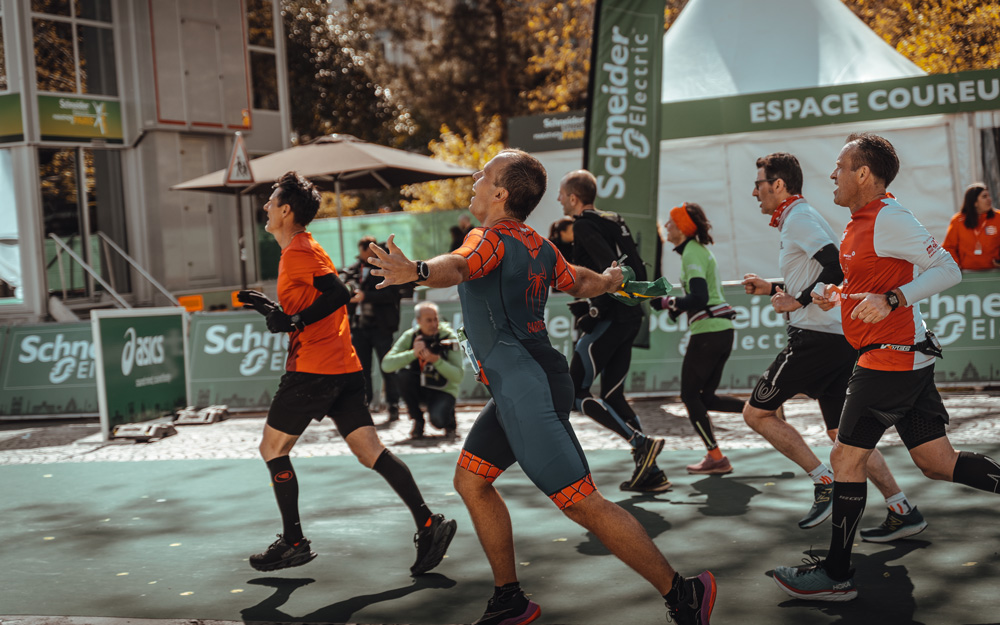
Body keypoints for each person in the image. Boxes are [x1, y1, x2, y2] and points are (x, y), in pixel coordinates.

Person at [368, 150, 717, 625]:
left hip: (525, 389)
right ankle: (508, 597)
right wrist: (613, 281)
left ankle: (683, 594)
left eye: (484, 174)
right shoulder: (539, 245)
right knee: (471, 480)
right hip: (531, 383)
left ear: (501, 193)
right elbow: (579, 281)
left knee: (582, 502)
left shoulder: (488, 238)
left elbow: (461, 265)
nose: (475, 178)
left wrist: (419, 271)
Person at [773, 133, 1000, 602]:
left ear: (862, 174)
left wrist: (894, 298)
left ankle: (836, 574)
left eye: (839, 166)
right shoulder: (859, 222)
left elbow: (948, 268)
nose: (830, 175)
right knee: (938, 463)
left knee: (845, 457)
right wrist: (839, 295)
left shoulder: (889, 217)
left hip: (889, 359)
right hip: (903, 356)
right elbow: (872, 285)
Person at [236, 172, 456, 577]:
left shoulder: (300, 251)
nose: (265, 207)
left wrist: (294, 318)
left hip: (315, 370)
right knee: (370, 451)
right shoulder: (301, 250)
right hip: (342, 368)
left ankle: (294, 542)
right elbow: (307, 309)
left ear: (286, 211)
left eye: (271, 201)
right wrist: (272, 310)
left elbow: (337, 295)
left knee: (272, 449)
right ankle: (429, 524)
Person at [741, 152, 925, 538]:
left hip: (816, 340)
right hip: (832, 339)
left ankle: (824, 480)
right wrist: (774, 288)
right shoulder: (795, 218)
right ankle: (901, 508)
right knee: (842, 437)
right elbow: (817, 273)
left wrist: (798, 300)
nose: (754, 191)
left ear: (778, 185)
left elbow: (835, 268)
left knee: (757, 414)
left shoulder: (800, 217)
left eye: (758, 184)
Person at [557, 169, 669, 492]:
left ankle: (640, 442)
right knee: (612, 395)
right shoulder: (613, 218)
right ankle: (651, 472)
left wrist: (592, 310)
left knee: (576, 391)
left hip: (612, 318)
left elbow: (613, 274)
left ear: (574, 198)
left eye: (562, 194)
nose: (559, 200)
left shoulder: (583, 225)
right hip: (630, 316)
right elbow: (634, 262)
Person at [652, 203, 744, 475]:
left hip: (708, 334)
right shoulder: (698, 251)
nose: (666, 226)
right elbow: (700, 301)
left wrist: (667, 302)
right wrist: (678, 308)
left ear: (682, 228)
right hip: (720, 331)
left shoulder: (692, 252)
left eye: (670, 222)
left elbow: (700, 298)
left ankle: (716, 458)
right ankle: (762, 411)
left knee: (690, 396)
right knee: (707, 398)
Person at [345, 236, 406, 421]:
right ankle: (364, 404)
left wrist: (366, 296)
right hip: (359, 327)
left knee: (387, 366)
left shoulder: (386, 267)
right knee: (362, 369)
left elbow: (391, 295)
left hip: (381, 326)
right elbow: (343, 287)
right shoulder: (353, 270)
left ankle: (393, 404)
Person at [382, 301, 464, 439]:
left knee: (438, 421)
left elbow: (458, 376)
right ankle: (417, 421)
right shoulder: (411, 336)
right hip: (420, 388)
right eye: (429, 320)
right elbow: (386, 365)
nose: (433, 324)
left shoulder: (448, 338)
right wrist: (413, 353)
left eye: (435, 319)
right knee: (403, 375)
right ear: (418, 321)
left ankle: (449, 420)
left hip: (443, 390)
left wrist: (437, 361)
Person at [942, 182, 1000, 271]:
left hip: (995, 272)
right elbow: (949, 247)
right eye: (984, 197)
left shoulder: (998, 217)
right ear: (974, 202)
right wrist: (956, 264)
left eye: (989, 196)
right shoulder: (957, 220)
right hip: (967, 273)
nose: (989, 199)